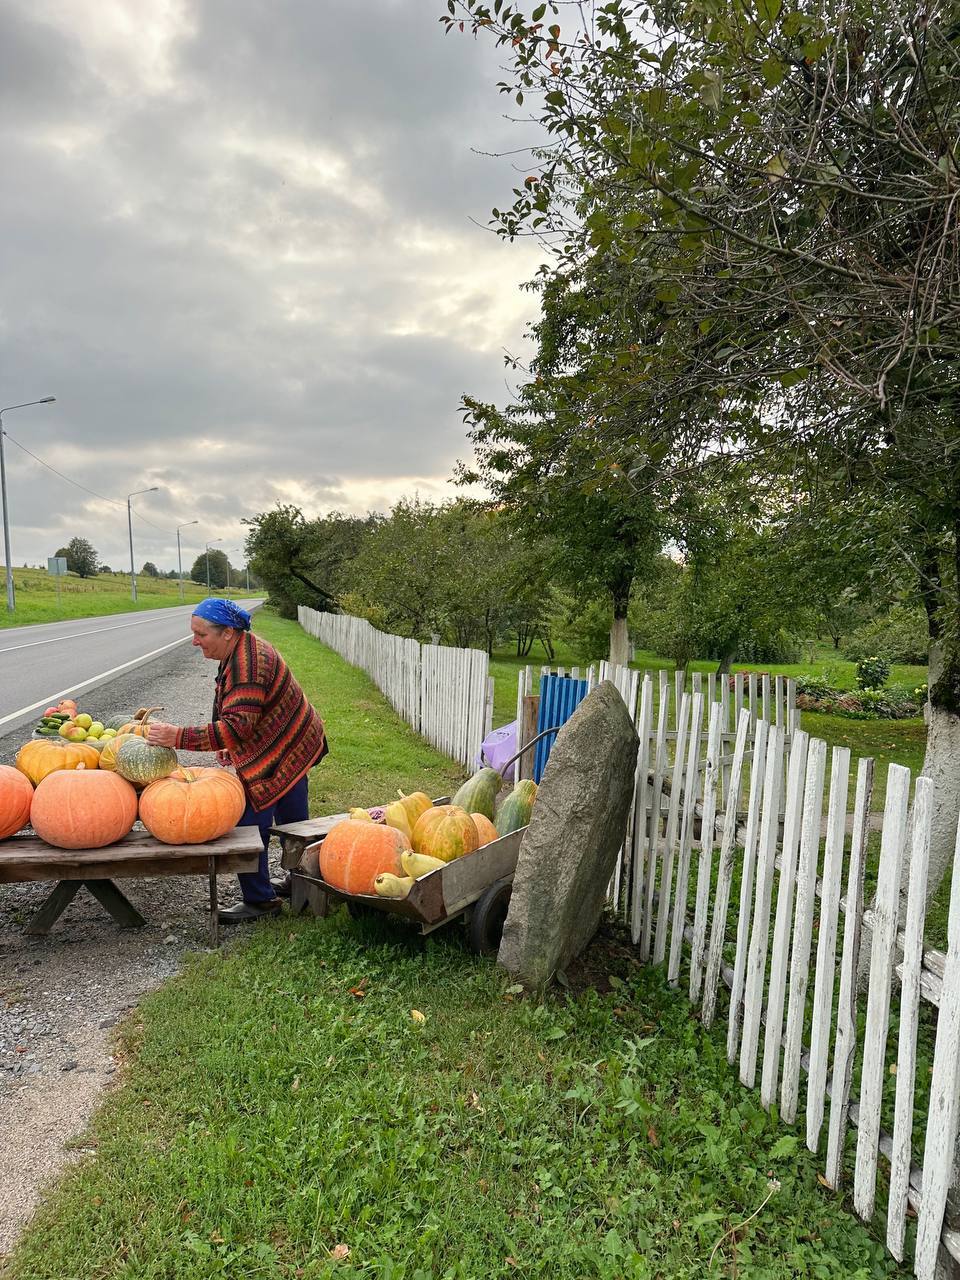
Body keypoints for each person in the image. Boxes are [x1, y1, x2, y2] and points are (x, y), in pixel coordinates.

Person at [146, 598, 328, 923]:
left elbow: (237, 727)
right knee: (292, 815)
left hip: (288, 741)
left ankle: (261, 901)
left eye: (201, 634)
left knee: (249, 820)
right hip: (291, 737)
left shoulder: (248, 665)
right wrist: (229, 742)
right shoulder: (238, 649)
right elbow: (231, 705)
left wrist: (178, 737)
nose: (194, 641)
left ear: (227, 632)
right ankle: (300, 878)